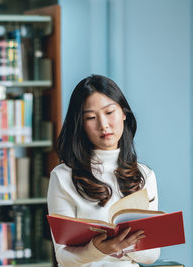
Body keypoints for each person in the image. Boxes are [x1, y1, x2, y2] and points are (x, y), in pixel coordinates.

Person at [47, 74, 160, 267]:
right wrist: (98, 250)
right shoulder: (62, 177)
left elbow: (152, 254)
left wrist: (121, 246)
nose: (103, 125)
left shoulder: (144, 175)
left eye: (109, 112)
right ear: (80, 125)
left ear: (124, 113)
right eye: (91, 117)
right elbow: (63, 258)